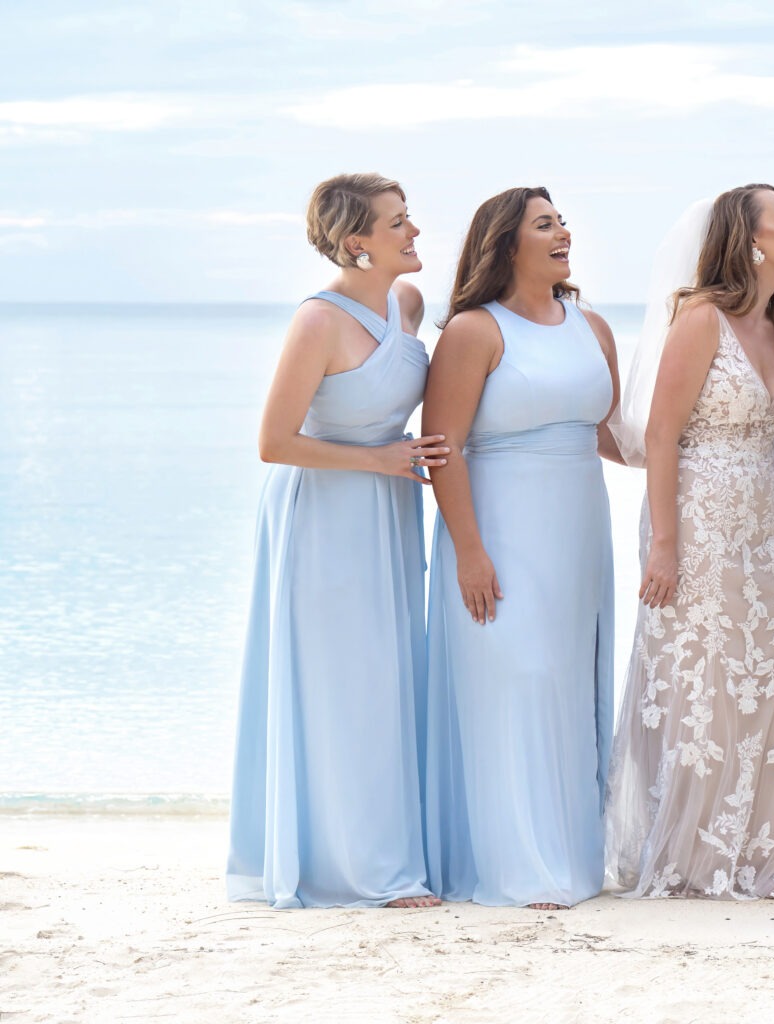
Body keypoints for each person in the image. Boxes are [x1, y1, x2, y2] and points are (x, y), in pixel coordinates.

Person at [605, 185, 774, 900]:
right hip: (699, 513)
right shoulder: (701, 317)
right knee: (703, 676)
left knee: (757, 672)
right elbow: (658, 434)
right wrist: (665, 546)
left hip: (761, 521)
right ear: (748, 241)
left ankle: (758, 848)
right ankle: (692, 851)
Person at [227, 172, 448, 909]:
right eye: (398, 223)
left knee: (386, 680)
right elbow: (272, 442)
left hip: (386, 515)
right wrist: (379, 459)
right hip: (322, 513)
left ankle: (385, 852)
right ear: (357, 243)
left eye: (409, 218)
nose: (414, 231)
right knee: (340, 685)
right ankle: (359, 871)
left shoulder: (406, 303)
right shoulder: (317, 322)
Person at [420, 187, 622, 910]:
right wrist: (468, 552)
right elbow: (443, 451)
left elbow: (606, 432)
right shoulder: (475, 331)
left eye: (562, 220)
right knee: (520, 678)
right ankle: (521, 867)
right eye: (545, 224)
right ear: (507, 245)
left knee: (570, 685)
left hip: (579, 528)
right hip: (499, 534)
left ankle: (572, 858)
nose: (564, 231)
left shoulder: (591, 326)